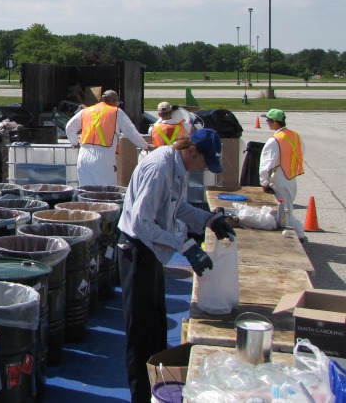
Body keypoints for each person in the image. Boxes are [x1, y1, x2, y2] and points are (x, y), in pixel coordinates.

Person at [117, 128, 236, 402]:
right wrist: (184, 246)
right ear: (191, 150)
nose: (203, 168)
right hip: (137, 252)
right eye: (203, 162)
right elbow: (141, 223)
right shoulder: (159, 168)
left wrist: (208, 220)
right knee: (140, 333)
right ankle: (142, 395)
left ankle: (159, 389)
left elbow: (177, 207)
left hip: (153, 253)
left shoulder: (179, 167)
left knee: (157, 327)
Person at [65, 90, 152, 186]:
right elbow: (131, 132)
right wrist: (145, 146)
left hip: (83, 158)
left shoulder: (85, 111)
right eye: (117, 103)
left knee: (86, 194)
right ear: (112, 101)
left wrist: (75, 142)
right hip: (103, 159)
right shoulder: (116, 112)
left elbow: (69, 127)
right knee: (106, 194)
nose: (117, 105)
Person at [259, 108, 306, 242]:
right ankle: (298, 234)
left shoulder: (275, 140)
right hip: (290, 178)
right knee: (287, 209)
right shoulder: (294, 135)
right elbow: (302, 151)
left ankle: (299, 234)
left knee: (285, 212)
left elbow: (266, 164)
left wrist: (264, 183)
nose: (267, 122)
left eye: (268, 120)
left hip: (279, 178)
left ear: (275, 122)